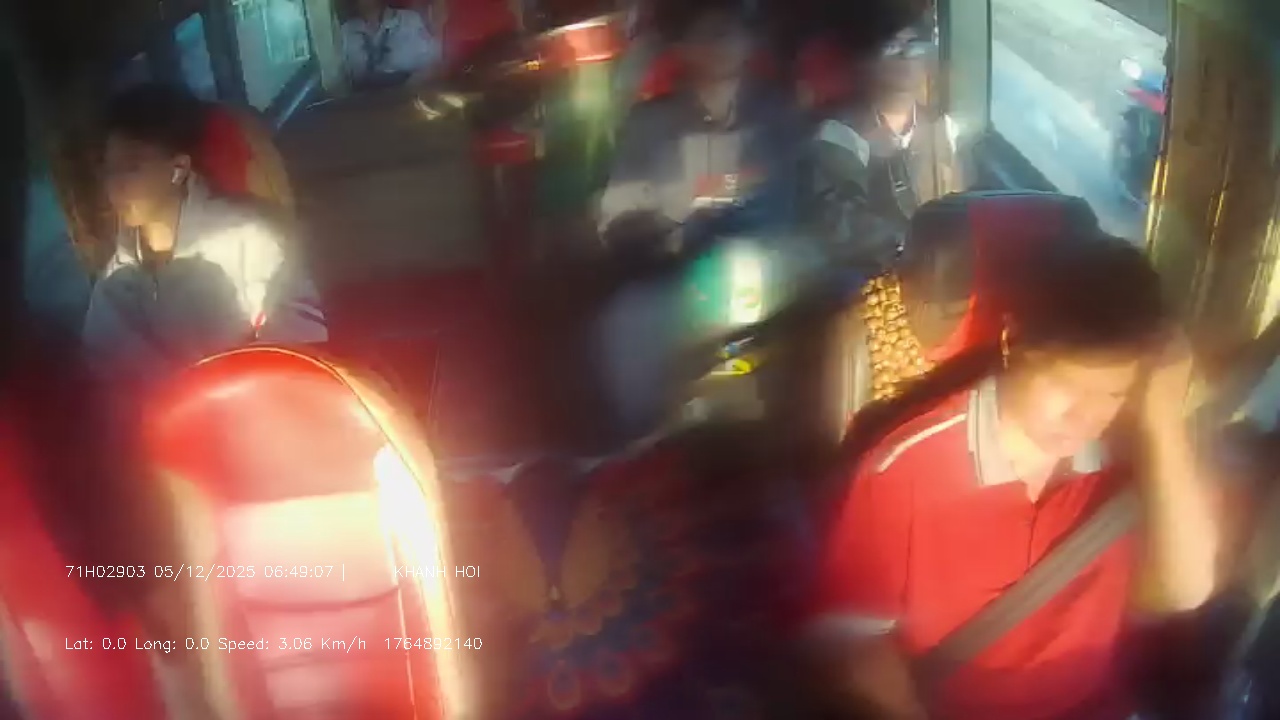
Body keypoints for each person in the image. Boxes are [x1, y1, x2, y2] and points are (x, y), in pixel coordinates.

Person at [803, 236, 1222, 720]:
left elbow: (1186, 589)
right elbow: (859, 643)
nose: (1084, 417)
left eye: (1112, 393)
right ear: (1012, 341)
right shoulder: (904, 468)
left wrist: (1162, 419)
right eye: (1065, 385)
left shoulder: (1133, 453)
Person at [83, 84, 326, 394]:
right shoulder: (114, 282)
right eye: (109, 169)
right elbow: (105, 376)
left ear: (179, 169)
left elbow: (303, 345)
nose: (115, 185)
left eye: (131, 167)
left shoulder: (250, 240)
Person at [341, 0, 442, 91]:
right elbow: (341, 80)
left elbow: (433, 65)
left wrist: (408, 88)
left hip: (407, 95)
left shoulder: (410, 21)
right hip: (362, 99)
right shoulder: (345, 31)